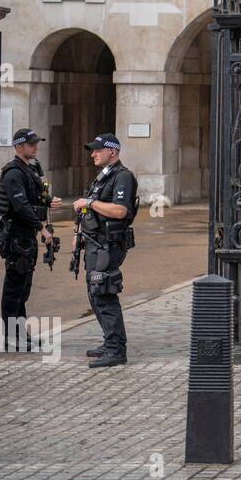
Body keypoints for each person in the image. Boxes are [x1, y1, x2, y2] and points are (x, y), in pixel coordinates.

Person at [72, 133, 139, 368]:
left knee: (104, 293)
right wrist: (78, 236)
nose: (93, 154)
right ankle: (110, 341)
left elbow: (120, 211)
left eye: (97, 150)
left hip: (108, 244)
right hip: (94, 242)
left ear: (112, 151)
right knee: (95, 294)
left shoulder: (122, 177)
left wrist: (89, 203)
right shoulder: (102, 178)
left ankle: (116, 349)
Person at [0, 128, 60, 351]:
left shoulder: (29, 169)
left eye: (36, 143)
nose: (35, 147)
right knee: (14, 288)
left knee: (23, 288)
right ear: (18, 147)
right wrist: (42, 228)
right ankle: (10, 337)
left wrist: (48, 202)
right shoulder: (13, 172)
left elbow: (33, 198)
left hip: (26, 237)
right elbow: (20, 206)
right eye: (31, 144)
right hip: (17, 236)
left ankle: (21, 333)